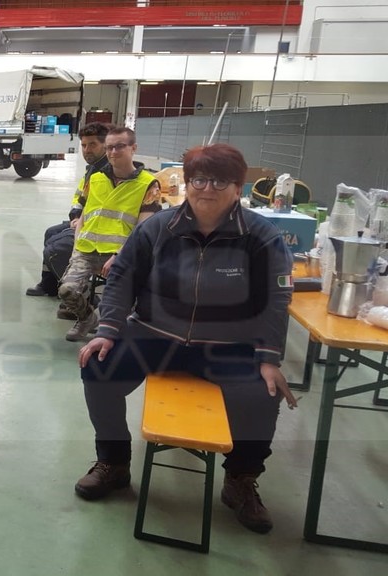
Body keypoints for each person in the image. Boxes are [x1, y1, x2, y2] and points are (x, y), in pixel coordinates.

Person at [75, 143, 298, 535]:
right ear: (188, 183)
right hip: (155, 335)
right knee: (98, 368)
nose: (207, 188)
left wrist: (268, 357)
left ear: (238, 188)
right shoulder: (158, 228)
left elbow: (275, 299)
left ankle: (240, 480)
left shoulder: (260, 236)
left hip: (226, 345)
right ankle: (114, 462)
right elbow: (122, 277)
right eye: (199, 179)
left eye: (220, 181)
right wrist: (108, 331)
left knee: (264, 394)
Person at [59, 126, 162, 341]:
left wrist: (119, 255)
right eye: (109, 148)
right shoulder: (95, 179)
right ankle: (87, 319)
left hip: (121, 253)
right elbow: (85, 215)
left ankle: (110, 329)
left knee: (115, 300)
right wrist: (77, 246)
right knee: (67, 290)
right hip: (87, 249)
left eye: (119, 146)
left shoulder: (148, 184)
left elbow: (143, 229)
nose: (113, 152)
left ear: (133, 148)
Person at [26, 123, 112, 324]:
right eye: (83, 145)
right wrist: (75, 216)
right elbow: (81, 197)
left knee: (55, 250)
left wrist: (81, 221)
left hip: (99, 230)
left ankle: (83, 299)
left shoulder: (107, 171)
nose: (86, 150)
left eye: (92, 145)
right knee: (50, 233)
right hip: (84, 221)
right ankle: (49, 285)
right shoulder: (93, 169)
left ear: (104, 145)